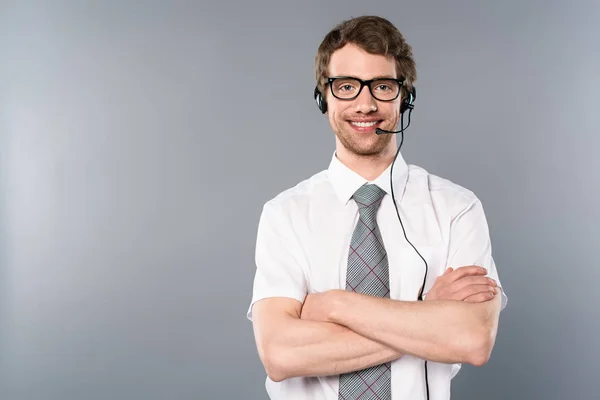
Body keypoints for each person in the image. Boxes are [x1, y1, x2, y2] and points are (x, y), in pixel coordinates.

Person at [246, 15, 507, 400]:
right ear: (324, 97)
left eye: (382, 86)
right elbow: (281, 353)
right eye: (347, 86)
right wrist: (426, 313)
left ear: (406, 96)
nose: (365, 104)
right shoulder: (285, 214)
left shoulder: (457, 208)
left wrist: (332, 305)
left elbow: (471, 339)